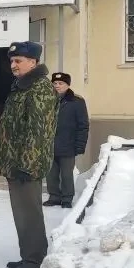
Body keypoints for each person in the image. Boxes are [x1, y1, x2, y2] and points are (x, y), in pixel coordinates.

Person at [0, 41, 59, 268]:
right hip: (17, 162)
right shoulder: (23, 87)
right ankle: (28, 256)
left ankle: (34, 261)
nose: (13, 65)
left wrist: (27, 165)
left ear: (33, 62)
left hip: (26, 165)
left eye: (18, 61)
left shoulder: (39, 88)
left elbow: (38, 131)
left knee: (29, 213)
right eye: (12, 61)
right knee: (22, 213)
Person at [46, 73, 89, 209]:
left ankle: (67, 198)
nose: (57, 86)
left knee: (66, 174)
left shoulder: (76, 102)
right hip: (49, 145)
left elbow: (83, 125)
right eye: (55, 83)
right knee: (51, 174)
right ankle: (54, 197)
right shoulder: (47, 100)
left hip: (68, 145)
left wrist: (80, 145)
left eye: (61, 83)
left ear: (67, 85)